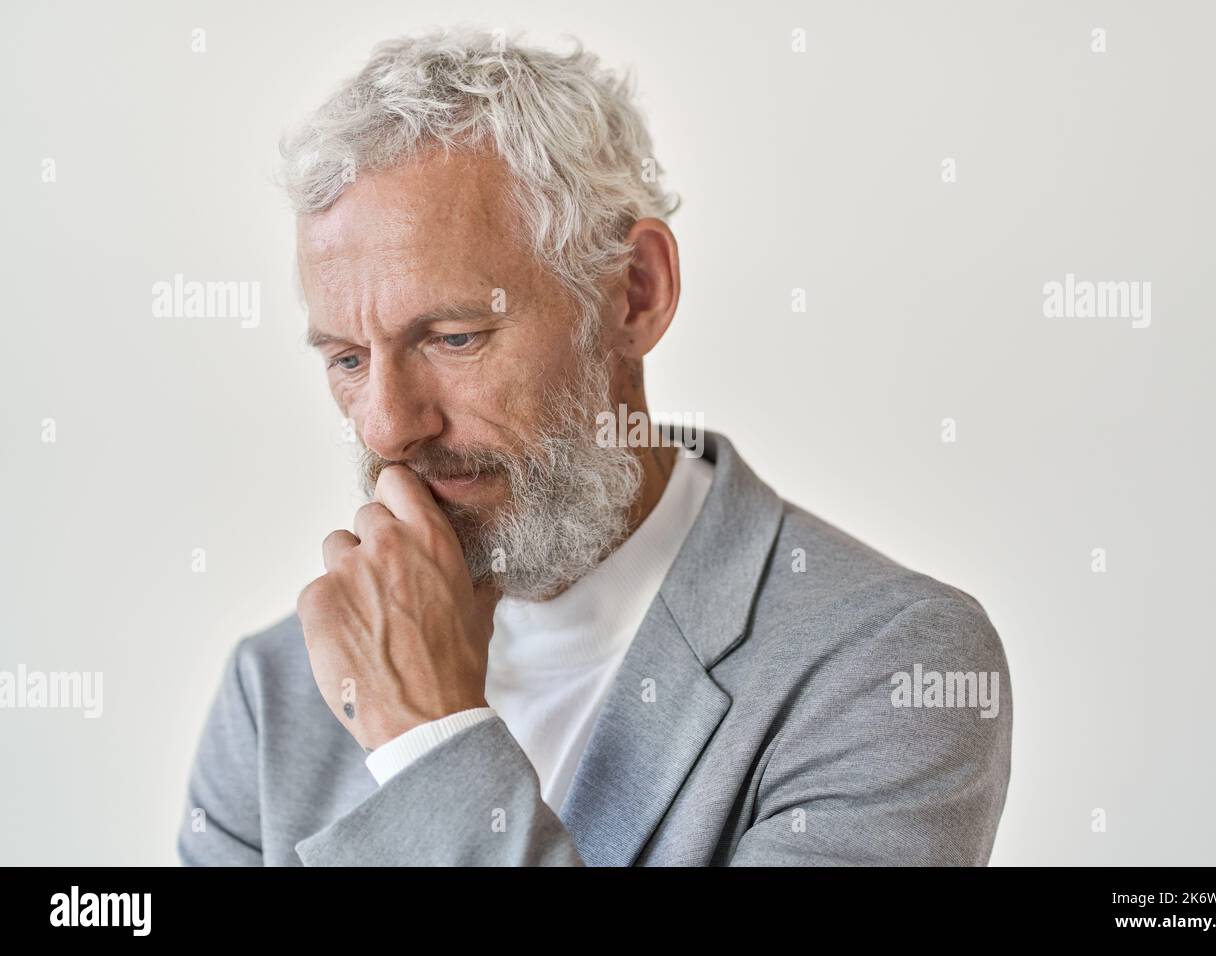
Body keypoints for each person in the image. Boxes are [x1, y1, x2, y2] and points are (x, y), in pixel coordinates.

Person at [178, 28, 1012, 866]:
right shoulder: (274, 693)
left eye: (455, 337)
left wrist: (425, 740)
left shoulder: (886, 665)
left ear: (635, 294)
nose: (388, 428)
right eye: (349, 360)